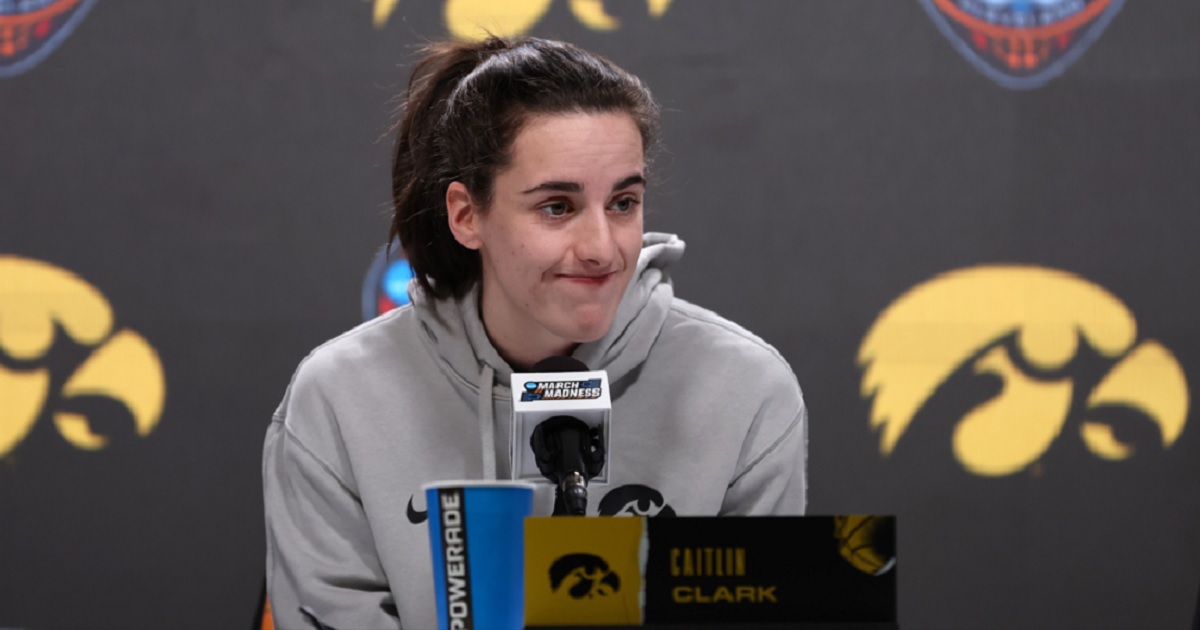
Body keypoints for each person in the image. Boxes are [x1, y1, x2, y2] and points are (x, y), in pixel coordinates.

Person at [263, 36, 807, 629]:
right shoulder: (338, 398)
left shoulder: (747, 390)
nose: (602, 248)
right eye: (557, 207)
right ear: (467, 215)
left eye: (623, 203)